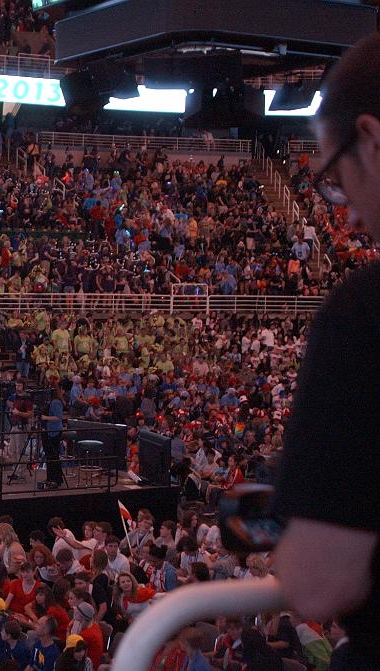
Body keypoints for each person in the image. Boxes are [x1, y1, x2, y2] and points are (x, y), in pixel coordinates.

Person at [273, 31, 380, 670]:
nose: (348, 219)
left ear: (371, 138)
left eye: (335, 179)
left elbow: (318, 583)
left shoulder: (364, 311)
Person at [40, 387, 66, 487]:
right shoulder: (51, 402)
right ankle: (50, 477)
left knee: (53, 456)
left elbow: (58, 417)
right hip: (48, 431)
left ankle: (56, 479)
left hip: (53, 432)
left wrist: (44, 417)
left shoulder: (56, 402)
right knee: (49, 456)